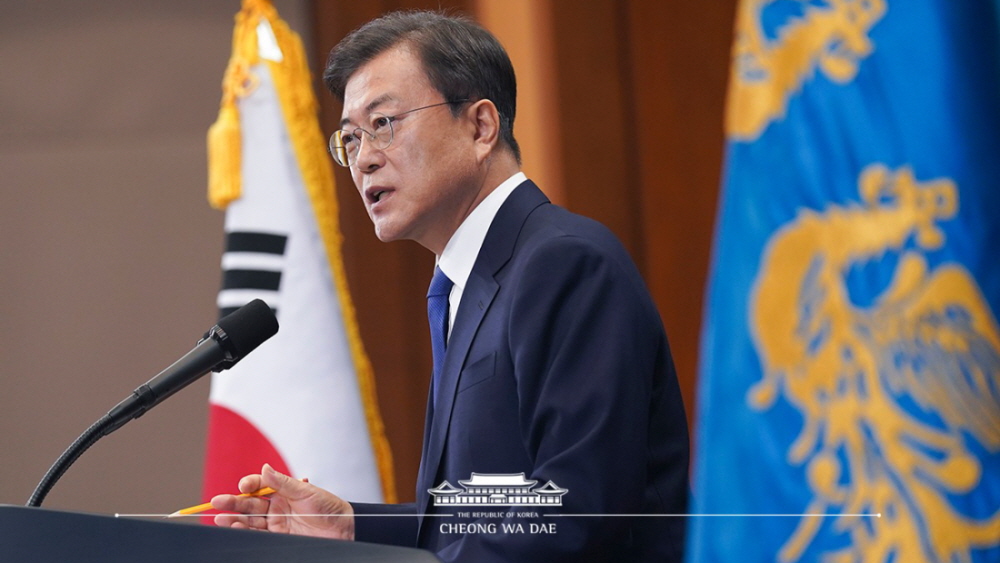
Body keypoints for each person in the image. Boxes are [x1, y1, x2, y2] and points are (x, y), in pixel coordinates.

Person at [211, 10, 689, 562]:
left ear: (481, 126)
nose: (363, 158)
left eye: (384, 123)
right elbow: (488, 512)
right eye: (349, 139)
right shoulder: (461, 284)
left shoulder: (564, 263)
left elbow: (575, 508)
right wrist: (352, 527)